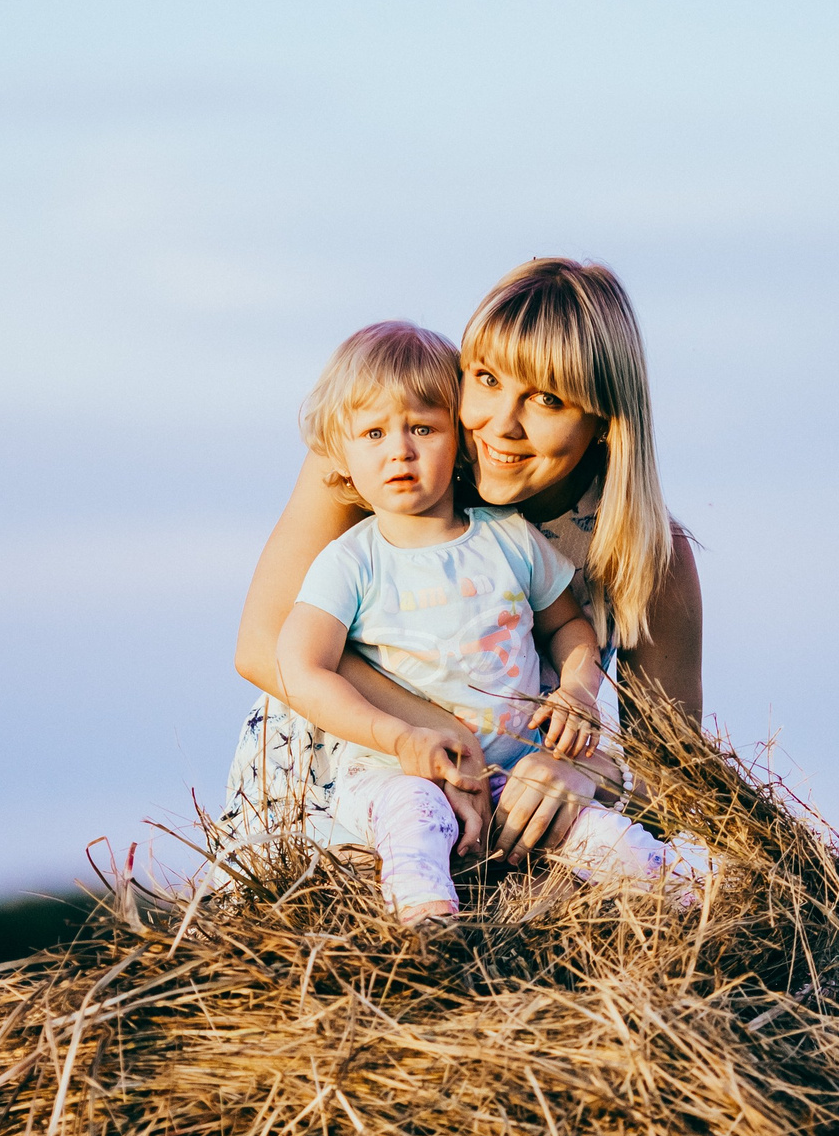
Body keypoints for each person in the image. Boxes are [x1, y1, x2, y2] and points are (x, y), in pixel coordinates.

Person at [222, 257, 702, 863]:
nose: (501, 425)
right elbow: (263, 646)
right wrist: (445, 737)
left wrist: (586, 774)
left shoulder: (646, 551)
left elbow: (678, 778)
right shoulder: (387, 452)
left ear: (605, 420)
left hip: (508, 835)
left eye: (547, 400)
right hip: (334, 801)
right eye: (486, 379)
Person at [270, 321, 674, 919]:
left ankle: (702, 891)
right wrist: (405, 737)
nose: (399, 450)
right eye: (375, 434)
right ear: (344, 455)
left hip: (513, 778)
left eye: (423, 429)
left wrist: (578, 690)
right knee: (415, 819)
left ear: (455, 437)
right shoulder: (351, 559)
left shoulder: (508, 539)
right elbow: (298, 664)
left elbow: (567, 627)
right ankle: (429, 927)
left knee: (597, 834)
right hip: (393, 773)